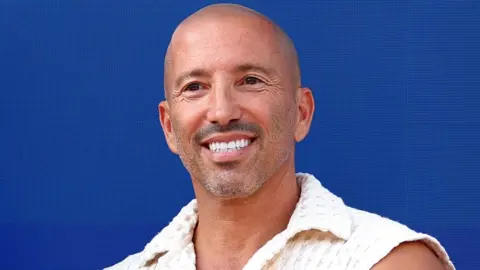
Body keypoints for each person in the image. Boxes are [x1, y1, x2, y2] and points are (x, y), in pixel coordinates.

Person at [105, 3, 454, 270]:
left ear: (301, 113)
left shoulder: (387, 261)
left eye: (251, 81)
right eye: (195, 87)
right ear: (169, 127)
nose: (222, 111)